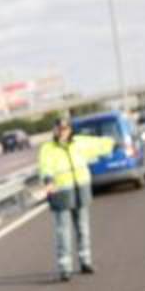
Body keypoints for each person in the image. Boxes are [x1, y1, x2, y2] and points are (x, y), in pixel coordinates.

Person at [37, 117, 115, 281]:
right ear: (55, 130)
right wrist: (48, 181)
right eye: (60, 129)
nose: (63, 132)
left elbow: (99, 145)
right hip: (61, 193)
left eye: (65, 129)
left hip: (81, 190)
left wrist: (113, 143)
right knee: (63, 231)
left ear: (70, 130)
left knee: (83, 228)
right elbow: (45, 167)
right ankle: (65, 268)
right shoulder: (48, 149)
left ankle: (85, 261)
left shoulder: (79, 143)